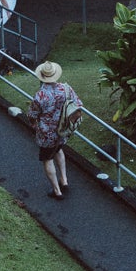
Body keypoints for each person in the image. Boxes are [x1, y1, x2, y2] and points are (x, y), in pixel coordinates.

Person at [29, 62, 82, 199]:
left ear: (41, 76)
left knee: (47, 159)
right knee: (58, 150)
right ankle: (64, 180)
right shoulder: (66, 88)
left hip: (46, 133)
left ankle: (57, 191)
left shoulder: (40, 96)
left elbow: (32, 116)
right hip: (62, 129)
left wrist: (35, 126)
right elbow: (78, 105)